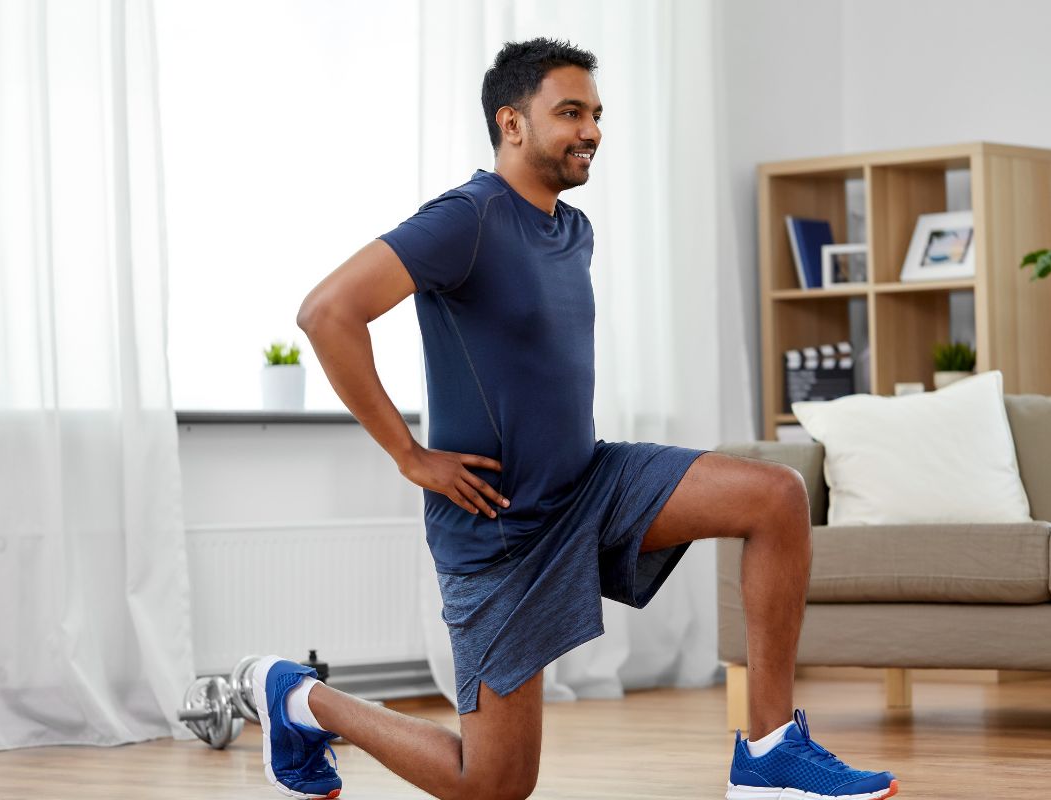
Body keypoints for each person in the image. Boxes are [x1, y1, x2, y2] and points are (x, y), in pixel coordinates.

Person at [255, 37, 899, 800]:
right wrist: (411, 455)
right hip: (502, 529)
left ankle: (767, 756)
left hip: (589, 483)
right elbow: (327, 313)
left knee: (775, 496)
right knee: (494, 783)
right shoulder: (467, 218)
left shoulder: (572, 229)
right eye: (570, 112)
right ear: (512, 123)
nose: (591, 129)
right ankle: (299, 698)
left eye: (596, 113)